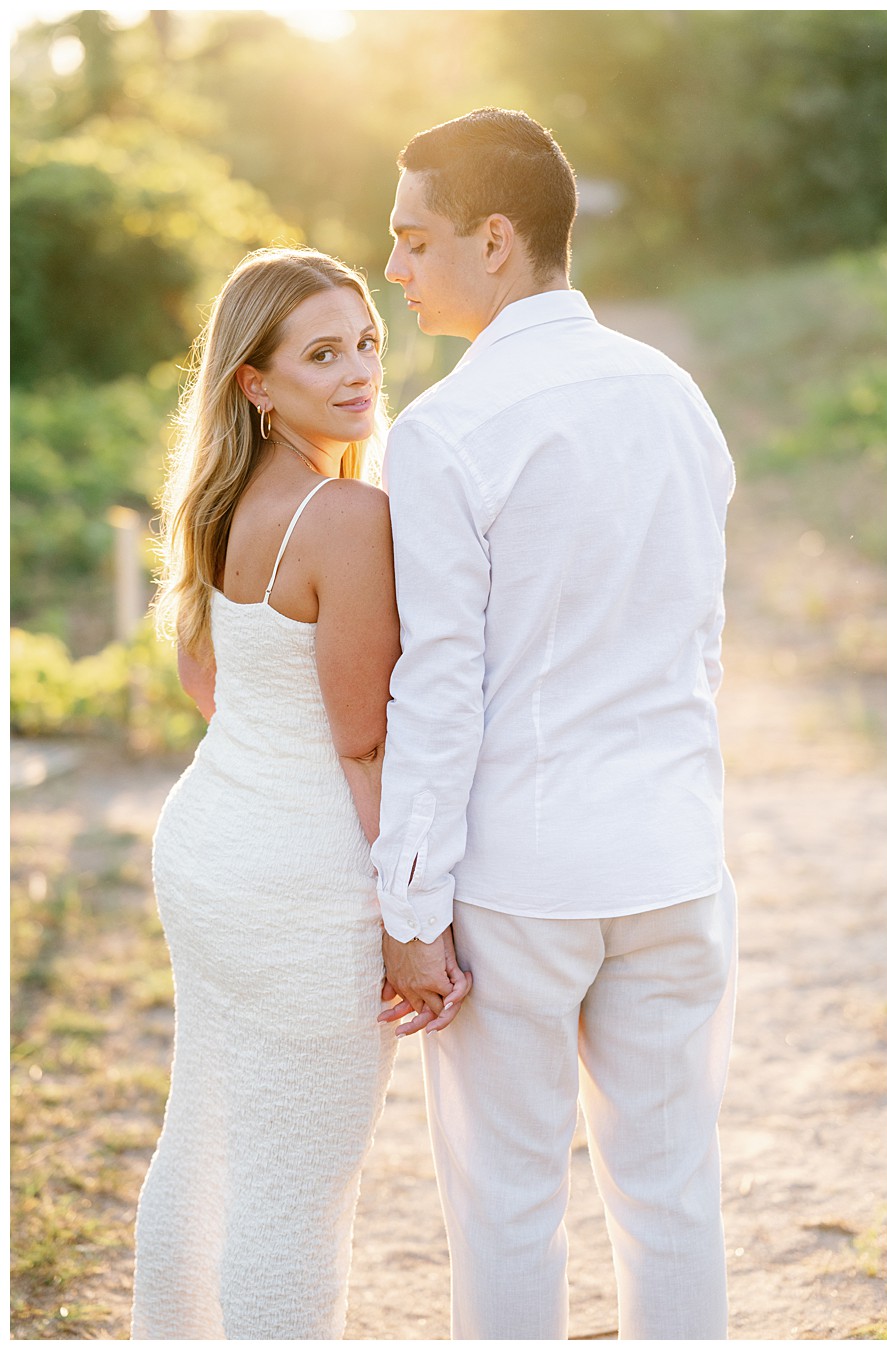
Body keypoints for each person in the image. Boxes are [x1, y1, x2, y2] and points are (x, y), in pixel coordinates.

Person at [370, 108, 738, 1339]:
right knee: (674, 1195)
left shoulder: (441, 433)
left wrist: (409, 909)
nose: (394, 271)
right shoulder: (677, 395)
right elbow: (698, 633)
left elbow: (438, 687)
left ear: (494, 239)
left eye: (413, 240)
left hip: (525, 876)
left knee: (509, 1206)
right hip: (675, 857)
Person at [133, 247, 469, 1338]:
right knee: (297, 1190)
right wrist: (409, 923)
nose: (360, 370)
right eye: (322, 353)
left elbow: (210, 687)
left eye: (367, 341)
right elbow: (365, 744)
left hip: (210, 842)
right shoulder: (345, 519)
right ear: (257, 382)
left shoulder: (213, 503)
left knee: (206, 1133)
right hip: (300, 880)